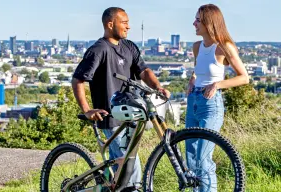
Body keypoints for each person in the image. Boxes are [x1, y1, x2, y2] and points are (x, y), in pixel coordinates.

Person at [71, 7, 170, 191]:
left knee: (124, 166)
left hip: (132, 115)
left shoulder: (129, 46)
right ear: (110, 24)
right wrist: (87, 110)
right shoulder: (99, 50)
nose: (128, 27)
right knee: (131, 166)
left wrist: (157, 87)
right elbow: (78, 80)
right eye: (124, 22)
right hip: (111, 117)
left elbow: (144, 70)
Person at [186, 4, 249, 192]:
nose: (194, 23)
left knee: (203, 157)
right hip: (193, 102)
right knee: (190, 157)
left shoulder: (223, 47)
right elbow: (199, 70)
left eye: (198, 20)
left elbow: (244, 77)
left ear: (209, 22)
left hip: (210, 104)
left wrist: (217, 84)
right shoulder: (196, 47)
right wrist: (192, 80)